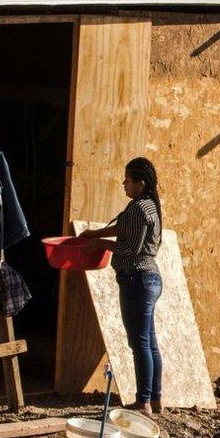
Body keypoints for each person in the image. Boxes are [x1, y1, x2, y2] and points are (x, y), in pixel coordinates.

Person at [80, 157, 164, 415]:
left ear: (140, 183)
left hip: (136, 279)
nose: (123, 184)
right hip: (148, 279)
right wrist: (96, 233)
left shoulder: (139, 209)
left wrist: (100, 245)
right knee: (149, 343)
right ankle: (155, 399)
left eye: (127, 180)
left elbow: (130, 248)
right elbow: (126, 229)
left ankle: (144, 402)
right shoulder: (148, 206)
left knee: (139, 344)